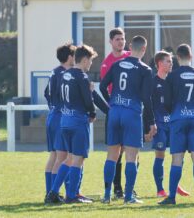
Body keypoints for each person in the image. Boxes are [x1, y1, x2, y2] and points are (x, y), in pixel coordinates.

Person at [100, 35, 157, 204]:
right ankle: (128, 196)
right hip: (132, 113)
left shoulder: (116, 64)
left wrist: (111, 101)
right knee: (131, 156)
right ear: (144, 49)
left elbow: (102, 86)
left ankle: (106, 194)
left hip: (115, 111)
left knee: (112, 155)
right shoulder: (145, 69)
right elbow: (147, 99)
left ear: (130, 47)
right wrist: (151, 122)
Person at [46, 44, 98, 204]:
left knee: (68, 158)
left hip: (65, 121)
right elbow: (87, 100)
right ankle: (72, 195)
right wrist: (92, 113)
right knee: (78, 158)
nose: (90, 64)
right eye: (90, 61)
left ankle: (53, 192)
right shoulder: (81, 77)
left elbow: (58, 97)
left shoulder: (64, 75)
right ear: (84, 60)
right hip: (78, 122)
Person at [158, 44, 194, 205]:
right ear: (191, 56)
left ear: (177, 58)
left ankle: (172, 197)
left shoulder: (171, 77)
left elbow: (166, 101)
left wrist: (173, 111)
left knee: (177, 159)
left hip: (178, 118)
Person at [144, 51, 189, 198]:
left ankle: (175, 186)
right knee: (160, 156)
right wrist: (148, 125)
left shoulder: (173, 81)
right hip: (159, 125)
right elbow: (147, 105)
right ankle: (160, 190)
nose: (171, 64)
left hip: (174, 124)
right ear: (159, 63)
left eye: (171, 61)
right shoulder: (152, 81)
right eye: (168, 61)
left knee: (179, 156)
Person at [100, 27, 131, 199]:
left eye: (122, 38)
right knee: (116, 152)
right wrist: (111, 106)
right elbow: (105, 87)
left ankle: (130, 188)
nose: (121, 42)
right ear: (110, 41)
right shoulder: (107, 63)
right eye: (117, 39)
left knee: (132, 150)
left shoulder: (130, 57)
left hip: (131, 111)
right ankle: (116, 188)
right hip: (116, 111)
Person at [43, 43, 76, 203]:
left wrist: (53, 107)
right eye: (74, 55)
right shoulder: (65, 74)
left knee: (54, 155)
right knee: (62, 156)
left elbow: (46, 93)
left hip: (52, 115)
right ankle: (53, 194)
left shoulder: (54, 72)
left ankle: (49, 191)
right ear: (70, 57)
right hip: (60, 117)